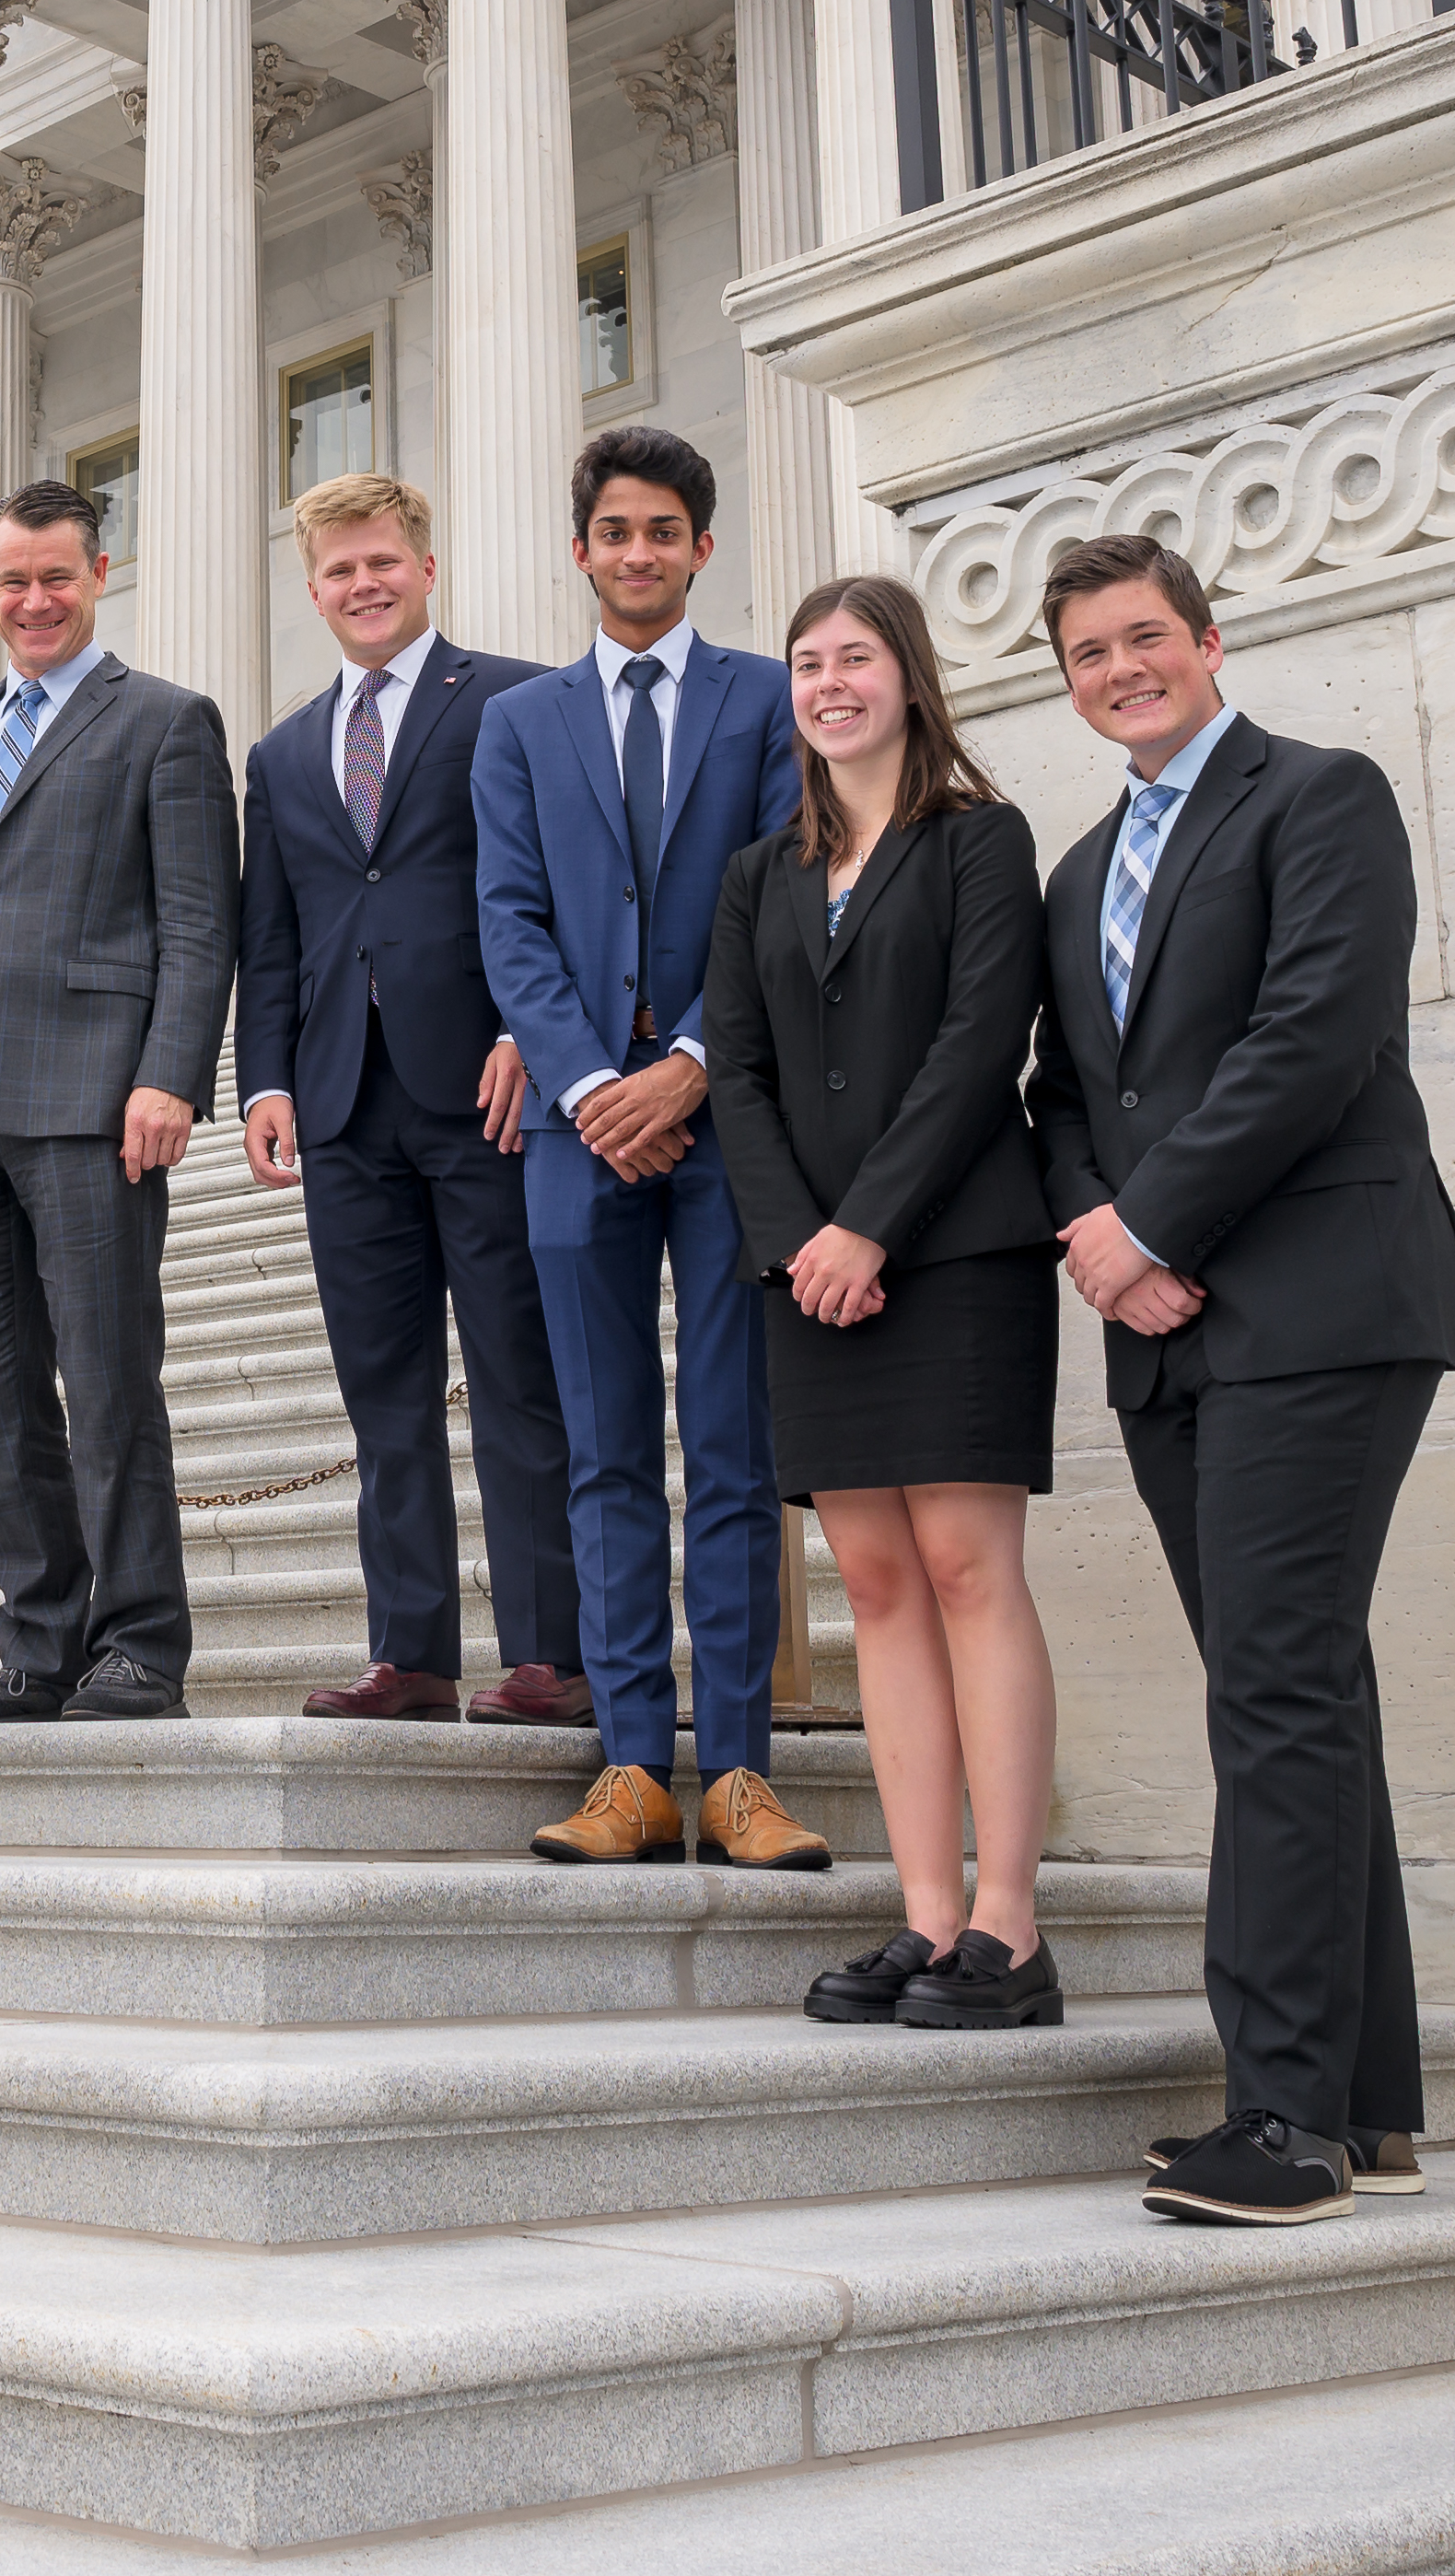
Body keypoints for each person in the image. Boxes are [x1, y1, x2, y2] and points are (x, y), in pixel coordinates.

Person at [1024, 532, 1455, 2225]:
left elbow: (1320, 1027)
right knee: (1295, 1685)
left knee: (1276, 1685)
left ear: (1208, 639)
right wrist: (1095, 1222)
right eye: (1085, 652)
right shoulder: (1078, 871)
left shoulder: (1321, 796)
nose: (1118, 668)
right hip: (1165, 1337)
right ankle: (1361, 2099)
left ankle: (1280, 2116)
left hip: (1322, 1299)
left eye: (1142, 636)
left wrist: (1149, 1218)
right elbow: (1059, 1087)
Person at [701, 575, 1065, 2030]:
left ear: (910, 677)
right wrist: (802, 1243)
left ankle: (1011, 1929)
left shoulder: (981, 843)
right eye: (807, 663)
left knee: (973, 1573)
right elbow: (737, 1071)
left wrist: (869, 1227)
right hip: (811, 1281)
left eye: (856, 658)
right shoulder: (756, 876)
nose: (829, 683)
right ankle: (923, 1921)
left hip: (956, 1254)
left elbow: (983, 1045)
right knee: (880, 1589)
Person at [471, 425, 829, 1873]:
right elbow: (510, 919)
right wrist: (582, 1085)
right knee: (606, 1454)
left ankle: (739, 1768)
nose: (638, 553)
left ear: (700, 546)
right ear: (583, 550)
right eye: (614, 531)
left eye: (663, 531)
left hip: (725, 1125)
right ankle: (632, 1765)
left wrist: (682, 1065)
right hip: (575, 1145)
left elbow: (781, 898)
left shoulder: (761, 702)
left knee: (733, 1453)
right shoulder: (522, 722)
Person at [0, 479, 237, 1722]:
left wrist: (171, 1075)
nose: (34, 599)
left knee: (108, 1376)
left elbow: (199, 922)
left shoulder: (168, 722)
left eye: (57, 577)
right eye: (12, 580)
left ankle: (138, 1642)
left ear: (99, 575)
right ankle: (39, 1645)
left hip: (96, 1102)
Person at [236, 472, 582, 1724]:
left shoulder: (516, 701)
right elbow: (270, 940)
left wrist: (536, 1038)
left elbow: (561, 884)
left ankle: (553, 1652)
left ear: (423, 567)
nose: (362, 585)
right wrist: (265, 1077)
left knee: (516, 1373)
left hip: (486, 1090)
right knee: (384, 1391)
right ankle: (413, 1653)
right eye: (337, 570)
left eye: (381, 561)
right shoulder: (280, 754)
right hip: (341, 1106)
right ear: (313, 587)